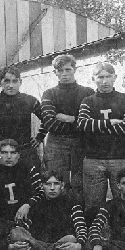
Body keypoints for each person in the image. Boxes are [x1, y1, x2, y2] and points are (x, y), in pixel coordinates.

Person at [8, 170, 88, 250]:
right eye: (48, 184)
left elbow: (81, 228)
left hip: (59, 249)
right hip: (38, 247)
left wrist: (78, 245)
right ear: (42, 186)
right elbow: (23, 229)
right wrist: (14, 244)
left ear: (62, 185)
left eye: (56, 184)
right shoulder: (35, 204)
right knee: (16, 233)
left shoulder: (72, 203)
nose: (52, 188)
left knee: (71, 238)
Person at [77, 62, 125, 210]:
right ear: (93, 79)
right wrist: (111, 122)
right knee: (93, 204)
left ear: (115, 77)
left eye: (108, 77)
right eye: (100, 77)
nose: (104, 81)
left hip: (121, 157)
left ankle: (121, 232)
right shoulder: (88, 101)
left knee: (124, 202)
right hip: (93, 159)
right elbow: (83, 125)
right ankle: (95, 232)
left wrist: (97, 127)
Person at [0, 66, 47, 168]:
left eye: (14, 81)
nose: (11, 85)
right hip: (1, 153)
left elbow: (47, 119)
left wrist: (39, 137)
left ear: (20, 82)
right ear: (1, 82)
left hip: (25, 152)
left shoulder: (30, 101)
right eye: (7, 81)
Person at [40, 55, 95, 194]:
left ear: (74, 69)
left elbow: (91, 121)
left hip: (81, 142)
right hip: (56, 143)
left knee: (80, 183)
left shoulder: (87, 92)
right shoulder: (49, 93)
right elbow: (50, 123)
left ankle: (79, 213)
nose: (64, 74)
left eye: (68, 69)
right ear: (55, 72)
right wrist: (78, 121)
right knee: (56, 181)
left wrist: (68, 118)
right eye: (60, 70)